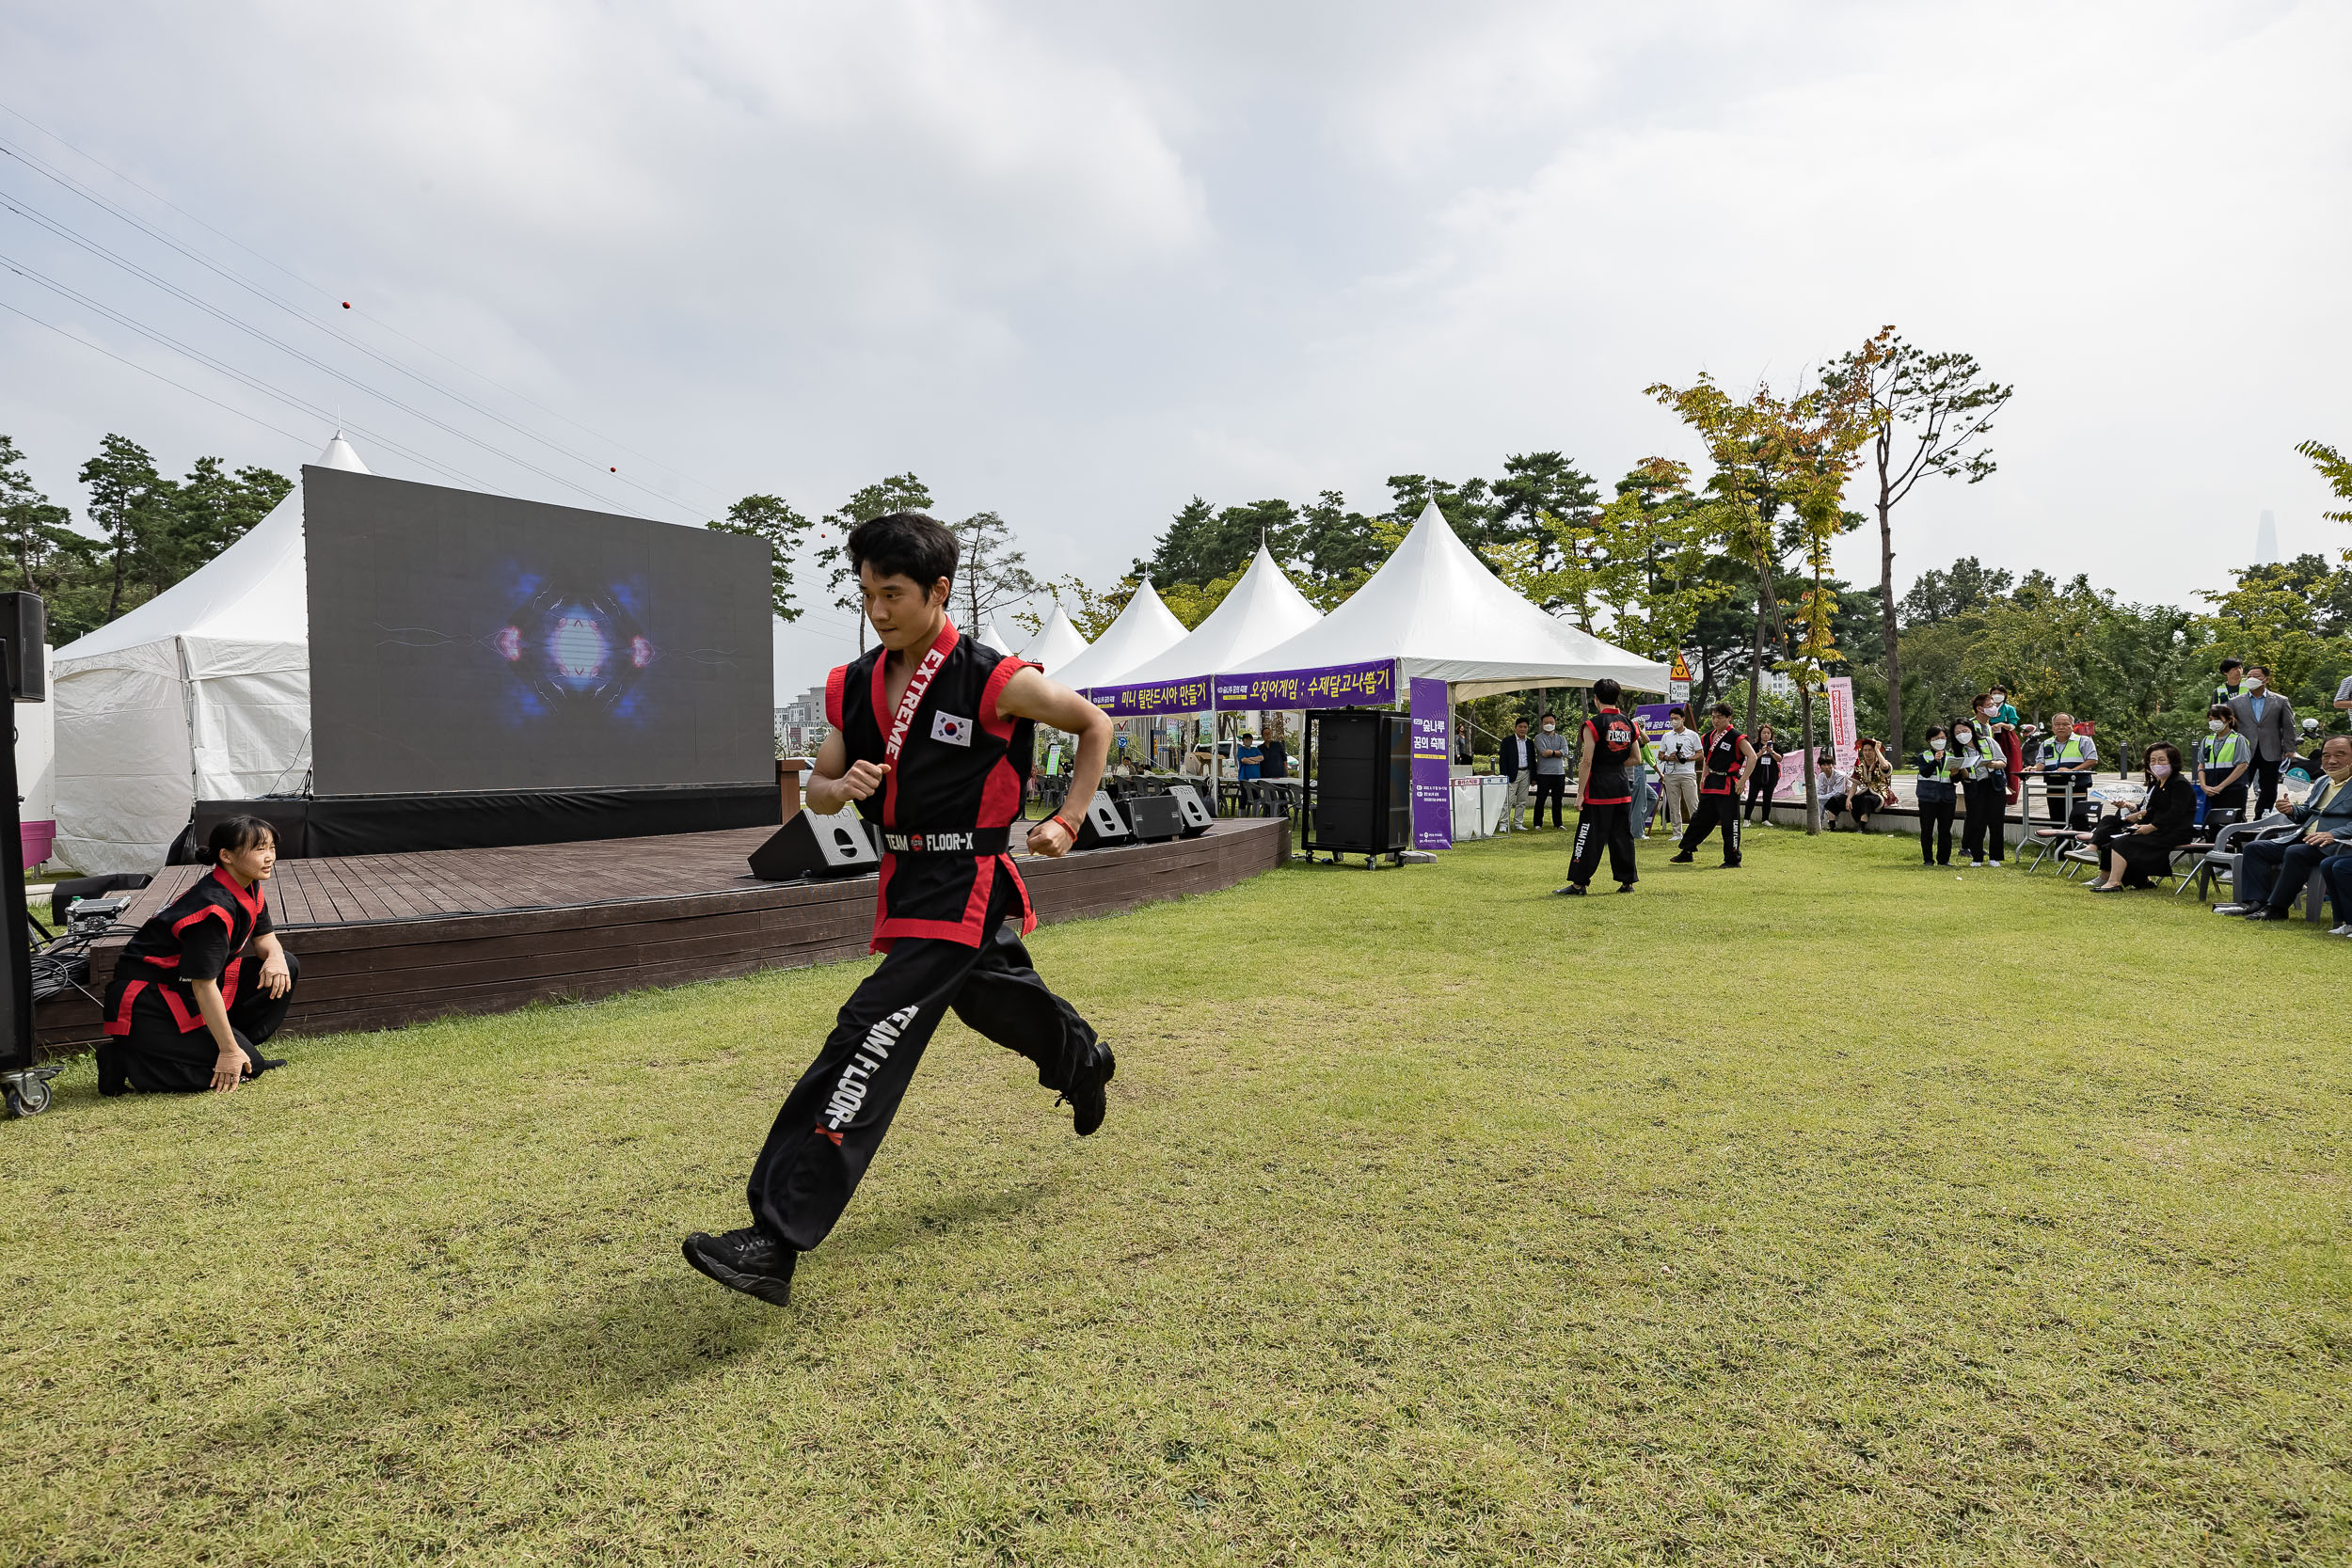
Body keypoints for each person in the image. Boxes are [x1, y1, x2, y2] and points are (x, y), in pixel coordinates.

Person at [684, 512, 1117, 1307]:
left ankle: (775, 1237)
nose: (877, 609)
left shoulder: (995, 678)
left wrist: (1066, 818)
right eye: (866, 592)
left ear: (938, 591)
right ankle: (1082, 1059)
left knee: (867, 1037)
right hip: (905, 881)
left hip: (967, 882)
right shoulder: (852, 683)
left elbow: (1095, 723)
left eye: (893, 593)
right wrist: (836, 789)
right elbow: (818, 784)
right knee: (995, 1001)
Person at [95, 816, 298, 1096]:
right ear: (226, 856)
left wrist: (275, 957)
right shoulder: (212, 909)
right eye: (260, 849)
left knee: (286, 963)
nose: (269, 857)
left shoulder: (247, 883)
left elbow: (265, 939)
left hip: (185, 989)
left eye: (272, 848)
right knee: (239, 1068)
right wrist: (228, 1052)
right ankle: (123, 1060)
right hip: (150, 1002)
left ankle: (236, 1049)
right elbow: (202, 985)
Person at [2215, 736, 2352, 922]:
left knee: (2296, 852)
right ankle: (2254, 902)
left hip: (2335, 844)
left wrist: (2333, 834)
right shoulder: (2323, 781)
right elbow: (2309, 811)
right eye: (2326, 755)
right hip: (2303, 838)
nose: (2332, 760)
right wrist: (2292, 809)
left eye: (2340, 754)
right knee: (2256, 848)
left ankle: (2276, 908)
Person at [1555, 679, 1641, 895]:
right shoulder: (1629, 723)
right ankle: (1627, 882)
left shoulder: (1593, 724)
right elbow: (1636, 758)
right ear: (1617, 696)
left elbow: (1586, 762)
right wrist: (1615, 763)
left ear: (1595, 698)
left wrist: (1580, 794)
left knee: (1588, 835)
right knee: (1622, 836)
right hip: (1621, 787)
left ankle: (1578, 883)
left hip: (1598, 789)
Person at [2086, 743, 2196, 891]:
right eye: (2153, 761)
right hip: (2158, 828)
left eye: (2162, 760)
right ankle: (2141, 881)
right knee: (2113, 839)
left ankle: (2114, 883)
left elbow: (2175, 813)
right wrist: (2139, 824)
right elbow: (2153, 810)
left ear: (2172, 761)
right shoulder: (2160, 784)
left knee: (2122, 843)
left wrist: (2151, 827)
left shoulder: (2179, 784)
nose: (2157, 764)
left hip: (2174, 832)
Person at [1671, 704, 1753, 866]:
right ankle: (1687, 850)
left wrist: (1743, 780)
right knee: (1700, 818)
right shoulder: (1707, 737)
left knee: (1729, 822)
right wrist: (1703, 778)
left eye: (1720, 717)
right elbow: (1707, 759)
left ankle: (1732, 858)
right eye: (1713, 717)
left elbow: (1752, 756)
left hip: (1729, 783)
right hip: (1711, 782)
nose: (1716, 720)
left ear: (1729, 718)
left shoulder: (1737, 736)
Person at [2229, 664, 2298, 817]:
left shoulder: (2280, 701)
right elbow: (2230, 728)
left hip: (2271, 749)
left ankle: (2262, 816)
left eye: (2257, 676)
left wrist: (2290, 749)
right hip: (2244, 751)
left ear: (2266, 679)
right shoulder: (2235, 702)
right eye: (2249, 676)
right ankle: (2237, 817)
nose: (2252, 679)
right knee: (2239, 786)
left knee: (2269, 787)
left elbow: (2288, 726)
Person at [1951, 707, 2010, 867]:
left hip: (1993, 785)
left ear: (1971, 729)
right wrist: (1957, 771)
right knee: (1976, 822)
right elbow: (1958, 776)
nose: (1962, 734)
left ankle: (1995, 857)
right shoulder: (1957, 751)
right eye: (1957, 732)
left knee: (1996, 821)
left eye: (1964, 730)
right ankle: (1977, 857)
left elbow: (2003, 761)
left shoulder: (1988, 741)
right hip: (1973, 787)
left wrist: (1993, 764)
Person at [2029, 712, 2099, 829]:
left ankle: (2081, 846)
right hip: (2054, 787)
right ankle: (2061, 846)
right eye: (2057, 724)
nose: (2061, 727)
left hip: (2076, 786)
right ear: (2052, 727)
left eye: (2065, 724)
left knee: (2078, 820)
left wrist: (2072, 770)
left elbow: (2092, 760)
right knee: (2057, 822)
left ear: (2072, 726)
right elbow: (2041, 763)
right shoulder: (2046, 744)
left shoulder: (2083, 741)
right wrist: (2033, 768)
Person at [2198, 705, 2252, 823]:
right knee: (2212, 825)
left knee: (2231, 824)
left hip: (2233, 790)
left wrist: (2221, 787)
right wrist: (2203, 785)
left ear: (2227, 720)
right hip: (2210, 790)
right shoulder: (2207, 740)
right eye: (2210, 720)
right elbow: (2201, 764)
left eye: (2216, 719)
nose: (2213, 723)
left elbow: (2242, 766)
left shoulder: (2238, 739)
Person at [1914, 725, 1959, 866]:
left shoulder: (1951, 756)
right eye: (1936, 738)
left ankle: (1944, 859)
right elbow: (1925, 772)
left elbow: (1956, 780)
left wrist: (1954, 774)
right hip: (1928, 797)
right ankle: (1928, 859)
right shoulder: (1924, 756)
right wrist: (1935, 760)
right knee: (1927, 830)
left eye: (1943, 738)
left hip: (1947, 797)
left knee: (1945, 830)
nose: (1940, 741)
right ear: (1929, 740)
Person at [1655, 707, 1702, 833]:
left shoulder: (1692, 735)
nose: (1673, 721)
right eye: (1671, 719)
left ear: (1683, 719)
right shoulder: (1667, 736)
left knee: (1693, 803)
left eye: (1676, 719)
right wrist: (1667, 757)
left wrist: (1686, 758)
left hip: (1687, 773)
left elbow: (1700, 754)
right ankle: (1677, 832)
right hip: (1671, 773)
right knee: (1673, 805)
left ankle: (1696, 831)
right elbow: (1660, 755)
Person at [1531, 712, 1570, 829]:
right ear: (1542, 724)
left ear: (1555, 723)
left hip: (1559, 773)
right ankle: (1537, 823)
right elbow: (1543, 753)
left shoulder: (1561, 738)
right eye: (1546, 722)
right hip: (1543, 774)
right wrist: (1558, 753)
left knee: (1558, 800)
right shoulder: (1538, 737)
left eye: (1551, 722)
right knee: (1541, 799)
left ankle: (1558, 823)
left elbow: (1565, 752)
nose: (1549, 724)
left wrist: (1552, 752)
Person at [1846, 737, 1894, 832]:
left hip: (1881, 794)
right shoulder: (1860, 767)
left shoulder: (1880, 763)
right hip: (1867, 792)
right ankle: (1856, 822)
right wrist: (1848, 799)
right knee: (1855, 799)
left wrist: (1877, 749)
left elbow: (1885, 766)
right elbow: (1855, 784)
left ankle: (1862, 826)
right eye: (1865, 750)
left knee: (1866, 799)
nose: (1867, 753)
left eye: (1870, 750)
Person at [1498, 717, 1536, 832]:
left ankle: (1518, 823)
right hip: (1511, 774)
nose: (1523, 729)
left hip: (1526, 773)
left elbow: (1532, 760)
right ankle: (1503, 824)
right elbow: (1503, 760)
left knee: (1522, 800)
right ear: (1515, 728)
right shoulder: (1507, 741)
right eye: (1520, 726)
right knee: (1508, 800)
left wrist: (1534, 777)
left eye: (1525, 727)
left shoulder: (1529, 743)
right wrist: (1505, 775)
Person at [1742, 725, 1782, 827]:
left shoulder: (1775, 746)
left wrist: (1771, 752)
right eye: (1764, 733)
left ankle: (1765, 819)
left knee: (1767, 798)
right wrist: (1762, 751)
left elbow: (1779, 759)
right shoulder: (1754, 746)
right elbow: (1752, 757)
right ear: (1760, 734)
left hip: (1771, 775)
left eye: (1768, 733)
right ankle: (1746, 819)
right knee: (1752, 797)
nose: (1766, 735)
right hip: (1756, 775)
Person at [1815, 751, 1849, 825]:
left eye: (1829, 764)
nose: (1827, 767)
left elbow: (1838, 792)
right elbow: (1820, 791)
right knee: (1819, 801)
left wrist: (1819, 797)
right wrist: (1817, 797)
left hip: (1846, 797)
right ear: (1820, 766)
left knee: (1827, 799)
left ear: (1833, 765)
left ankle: (1832, 824)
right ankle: (1818, 824)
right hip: (1832, 797)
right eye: (1824, 765)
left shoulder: (1840, 775)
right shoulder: (1821, 776)